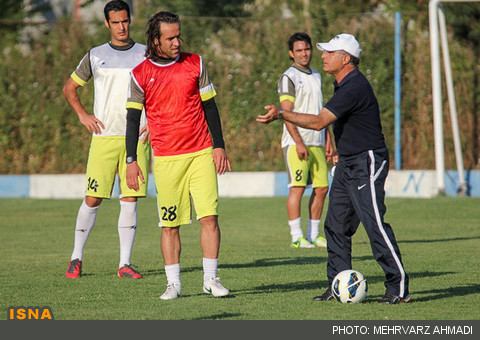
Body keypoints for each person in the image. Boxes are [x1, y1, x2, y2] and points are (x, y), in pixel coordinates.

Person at [257, 33, 410, 304]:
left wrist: (281, 114)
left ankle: (397, 287)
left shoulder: (354, 86)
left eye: (329, 52)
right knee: (335, 225)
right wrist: (337, 147)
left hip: (367, 161)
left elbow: (318, 121)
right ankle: (337, 284)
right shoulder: (341, 84)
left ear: (346, 59)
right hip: (347, 161)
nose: (323, 56)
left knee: (373, 223)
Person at [125, 11, 231, 300]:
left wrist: (218, 145)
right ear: (155, 40)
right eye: (170, 38)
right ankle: (173, 284)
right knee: (170, 224)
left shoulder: (195, 63)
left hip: (200, 153)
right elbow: (133, 120)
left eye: (178, 35)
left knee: (210, 218)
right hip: (166, 158)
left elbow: (211, 108)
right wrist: (131, 161)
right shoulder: (140, 74)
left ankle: (211, 280)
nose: (176, 41)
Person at [63, 0, 149, 279]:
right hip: (103, 138)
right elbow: (70, 88)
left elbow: (158, 93)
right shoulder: (95, 55)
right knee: (93, 198)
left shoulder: (146, 54)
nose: (121, 26)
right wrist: (82, 115)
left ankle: (124, 264)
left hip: (136, 138)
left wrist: (154, 125)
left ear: (130, 20)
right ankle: (76, 258)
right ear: (107, 24)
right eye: (116, 22)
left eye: (125, 21)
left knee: (130, 198)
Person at [277, 32, 332, 249]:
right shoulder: (288, 77)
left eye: (307, 49)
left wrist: (329, 139)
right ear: (291, 53)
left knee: (322, 188)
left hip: (317, 140)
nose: (304, 54)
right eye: (299, 50)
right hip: (295, 143)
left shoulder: (317, 75)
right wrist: (298, 141)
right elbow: (286, 113)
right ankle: (296, 237)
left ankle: (314, 234)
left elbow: (322, 112)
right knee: (297, 188)